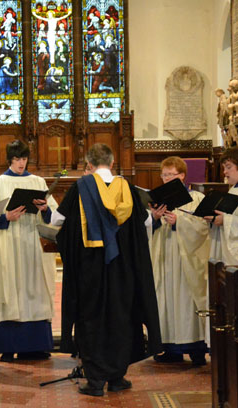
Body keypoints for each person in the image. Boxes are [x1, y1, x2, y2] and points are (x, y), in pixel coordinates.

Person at [51, 143, 161, 397]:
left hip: (91, 268)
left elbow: (57, 220)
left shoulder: (81, 188)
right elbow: (144, 222)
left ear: (89, 164)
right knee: (120, 316)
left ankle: (96, 380)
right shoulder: (128, 189)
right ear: (112, 163)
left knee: (92, 318)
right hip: (122, 269)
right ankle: (118, 376)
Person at [0, 140, 58, 362]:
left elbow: (53, 215)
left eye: (24, 159)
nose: (21, 163)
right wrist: (6, 217)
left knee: (34, 289)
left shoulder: (38, 181)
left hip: (32, 243)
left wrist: (45, 209)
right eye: (17, 159)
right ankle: (8, 345)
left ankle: (35, 345)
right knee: (10, 287)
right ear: (9, 160)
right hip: (7, 244)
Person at [149, 156, 210, 365]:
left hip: (186, 261)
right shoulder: (158, 200)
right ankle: (170, 348)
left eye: (171, 175)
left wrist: (179, 222)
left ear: (182, 176)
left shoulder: (195, 198)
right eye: (164, 175)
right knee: (165, 299)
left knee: (186, 301)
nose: (166, 179)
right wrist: (154, 220)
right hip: (165, 257)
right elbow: (149, 231)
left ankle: (196, 348)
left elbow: (203, 227)